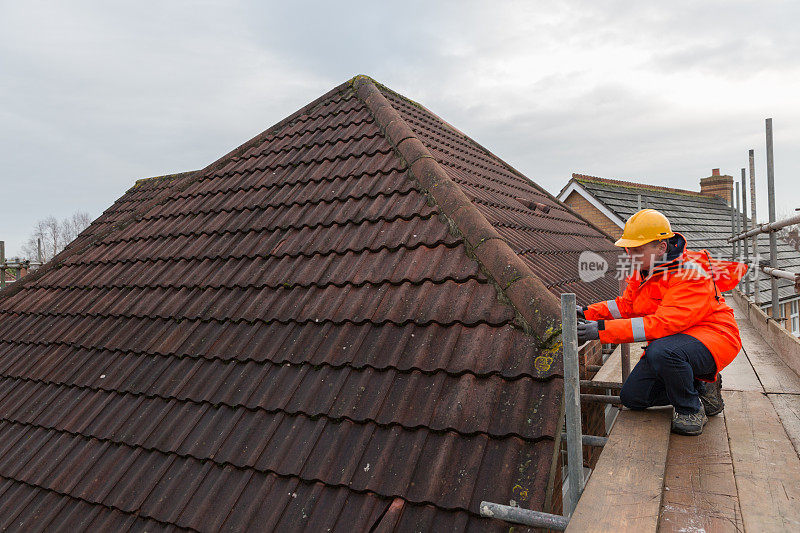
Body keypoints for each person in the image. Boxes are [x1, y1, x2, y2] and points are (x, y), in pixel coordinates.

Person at [576, 209, 747, 435]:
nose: (631, 255)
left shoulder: (689, 274)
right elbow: (626, 306)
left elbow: (662, 324)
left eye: (637, 249)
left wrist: (600, 330)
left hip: (713, 337)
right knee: (632, 397)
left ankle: (690, 409)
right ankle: (701, 385)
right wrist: (588, 313)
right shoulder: (644, 269)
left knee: (662, 352)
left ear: (662, 247)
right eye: (629, 249)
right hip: (674, 341)